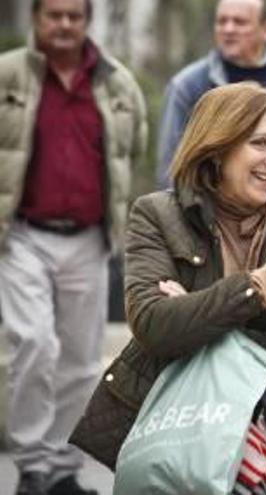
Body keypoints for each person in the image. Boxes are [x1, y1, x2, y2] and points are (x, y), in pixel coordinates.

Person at [69, 83, 266, 483]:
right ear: (218, 147)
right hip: (174, 430)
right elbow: (154, 325)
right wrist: (257, 287)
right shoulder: (157, 215)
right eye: (260, 142)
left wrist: (203, 319)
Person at [0, 0, 147, 493]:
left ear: (87, 21)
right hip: (22, 236)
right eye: (53, 15)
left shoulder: (116, 82)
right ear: (37, 19)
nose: (64, 24)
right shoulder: (8, 77)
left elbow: (134, 147)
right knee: (34, 344)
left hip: (88, 238)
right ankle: (32, 464)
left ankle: (62, 469)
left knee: (81, 361)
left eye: (73, 15)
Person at [155, 0, 266, 189]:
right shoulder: (188, 85)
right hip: (213, 211)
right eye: (222, 21)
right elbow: (171, 167)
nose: (228, 29)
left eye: (240, 22)